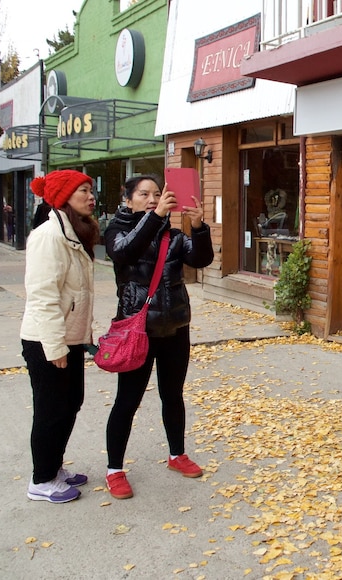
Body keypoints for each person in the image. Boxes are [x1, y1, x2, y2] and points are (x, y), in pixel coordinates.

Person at [102, 174, 214, 500]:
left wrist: (200, 227)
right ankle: (114, 469)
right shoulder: (118, 231)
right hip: (138, 332)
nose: (152, 199)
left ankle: (176, 454)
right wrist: (157, 217)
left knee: (173, 394)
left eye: (157, 193)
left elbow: (201, 259)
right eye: (144, 194)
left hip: (174, 328)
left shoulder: (173, 236)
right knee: (128, 400)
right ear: (128, 200)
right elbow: (125, 252)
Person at [19, 170, 99, 503]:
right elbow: (42, 296)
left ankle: (54, 467)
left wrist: (83, 338)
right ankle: (41, 480)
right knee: (51, 409)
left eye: (91, 190)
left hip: (70, 338)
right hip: (46, 341)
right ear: (64, 196)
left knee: (70, 403)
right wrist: (55, 346)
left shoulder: (74, 232)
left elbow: (77, 293)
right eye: (83, 190)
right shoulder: (48, 235)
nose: (91, 196)